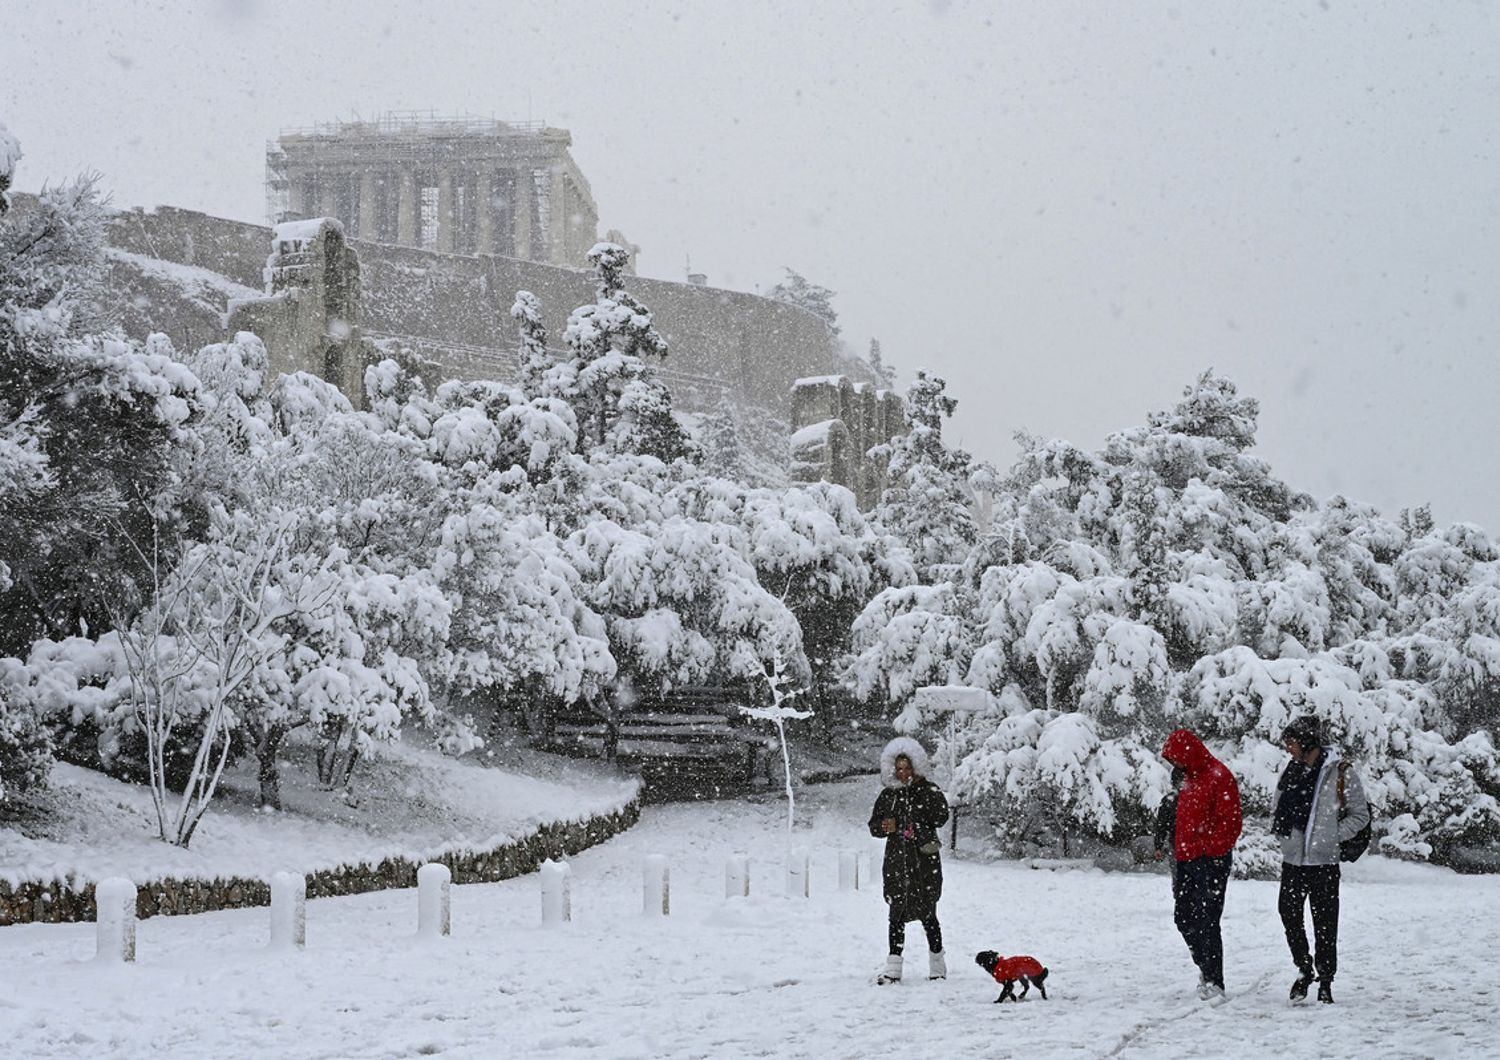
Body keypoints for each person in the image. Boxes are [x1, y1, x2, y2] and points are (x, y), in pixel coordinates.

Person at [1270, 715, 1371, 1005]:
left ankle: (1325, 980)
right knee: (1288, 914)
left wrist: (1331, 836)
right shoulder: (1291, 770)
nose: (1288, 748)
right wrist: (1286, 840)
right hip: (1293, 862)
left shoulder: (1340, 772)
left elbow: (1360, 815)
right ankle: (1304, 967)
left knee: (1325, 923)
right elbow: (1276, 807)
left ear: (1307, 742)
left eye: (1292, 742)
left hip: (1324, 863)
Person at [1161, 728, 1243, 1001]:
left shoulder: (1219, 776)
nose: (1174, 765)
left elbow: (1230, 822)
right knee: (1183, 917)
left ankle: (1214, 979)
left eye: (1176, 759)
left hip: (1211, 861)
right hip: (1186, 859)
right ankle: (1205, 968)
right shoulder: (1187, 779)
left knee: (1208, 921)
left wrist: (1210, 850)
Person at [868, 736, 949, 984]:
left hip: (924, 863)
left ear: (916, 767)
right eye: (899, 769)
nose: (903, 774)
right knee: (896, 915)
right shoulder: (888, 795)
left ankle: (937, 964)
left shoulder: (929, 791)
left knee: (928, 914)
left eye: (907, 768)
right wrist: (885, 826)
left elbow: (942, 816)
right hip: (896, 863)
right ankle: (894, 967)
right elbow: (873, 826)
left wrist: (920, 817)